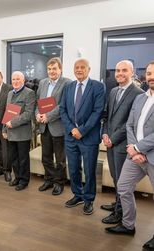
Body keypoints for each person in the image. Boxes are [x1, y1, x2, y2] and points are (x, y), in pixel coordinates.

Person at [105, 61, 154, 239]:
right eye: (149, 73)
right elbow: (130, 124)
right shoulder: (141, 98)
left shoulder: (136, 92)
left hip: (149, 154)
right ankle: (127, 224)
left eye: (153, 73)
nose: (151, 77)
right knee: (123, 187)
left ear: (132, 73)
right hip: (133, 153)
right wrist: (134, 148)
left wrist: (138, 148)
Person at [59, 58, 105, 215]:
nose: (79, 70)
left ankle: (88, 199)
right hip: (71, 137)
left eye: (82, 67)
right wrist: (72, 129)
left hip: (89, 137)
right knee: (73, 169)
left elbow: (98, 112)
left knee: (90, 170)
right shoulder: (69, 87)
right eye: (76, 67)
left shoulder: (98, 87)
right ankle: (77, 195)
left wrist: (82, 130)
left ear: (89, 69)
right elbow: (62, 109)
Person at [101, 60, 143, 224]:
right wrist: (104, 134)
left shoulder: (138, 93)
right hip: (110, 142)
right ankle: (118, 203)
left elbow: (131, 123)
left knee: (121, 180)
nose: (119, 73)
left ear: (132, 72)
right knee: (114, 176)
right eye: (117, 70)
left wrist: (113, 138)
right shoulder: (113, 91)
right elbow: (107, 116)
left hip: (123, 145)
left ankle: (119, 213)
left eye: (124, 70)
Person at [36, 57, 71, 195]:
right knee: (46, 157)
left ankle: (59, 182)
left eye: (54, 68)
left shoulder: (67, 83)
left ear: (60, 69)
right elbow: (38, 102)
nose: (52, 71)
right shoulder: (43, 83)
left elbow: (63, 105)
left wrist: (48, 116)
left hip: (58, 127)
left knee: (60, 159)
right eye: (49, 69)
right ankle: (49, 179)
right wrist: (38, 114)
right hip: (44, 127)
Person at [2, 71, 35, 191]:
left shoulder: (29, 93)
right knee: (14, 158)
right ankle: (17, 177)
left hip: (22, 132)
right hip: (10, 132)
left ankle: (24, 180)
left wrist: (13, 123)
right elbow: (7, 112)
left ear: (23, 80)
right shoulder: (10, 93)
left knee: (23, 158)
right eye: (13, 79)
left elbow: (28, 114)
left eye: (18, 79)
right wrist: (4, 129)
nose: (15, 81)